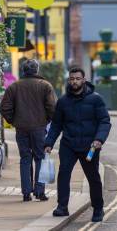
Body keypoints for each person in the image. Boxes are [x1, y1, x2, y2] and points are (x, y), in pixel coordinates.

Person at [44, 67, 111, 223]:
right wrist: (49, 142)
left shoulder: (96, 99)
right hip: (68, 144)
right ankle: (62, 207)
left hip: (90, 146)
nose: (74, 81)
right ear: (69, 80)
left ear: (84, 80)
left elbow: (104, 121)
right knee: (64, 174)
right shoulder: (62, 102)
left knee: (93, 177)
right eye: (72, 79)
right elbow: (56, 125)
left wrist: (99, 140)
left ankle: (98, 208)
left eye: (77, 78)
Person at [0, 59, 57, 202]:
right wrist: (48, 120)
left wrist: (14, 121)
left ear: (23, 70)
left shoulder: (14, 87)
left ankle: (26, 193)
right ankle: (39, 192)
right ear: (37, 70)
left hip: (21, 129)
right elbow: (52, 107)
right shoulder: (45, 86)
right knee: (40, 158)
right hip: (39, 128)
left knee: (25, 159)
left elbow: (4, 107)